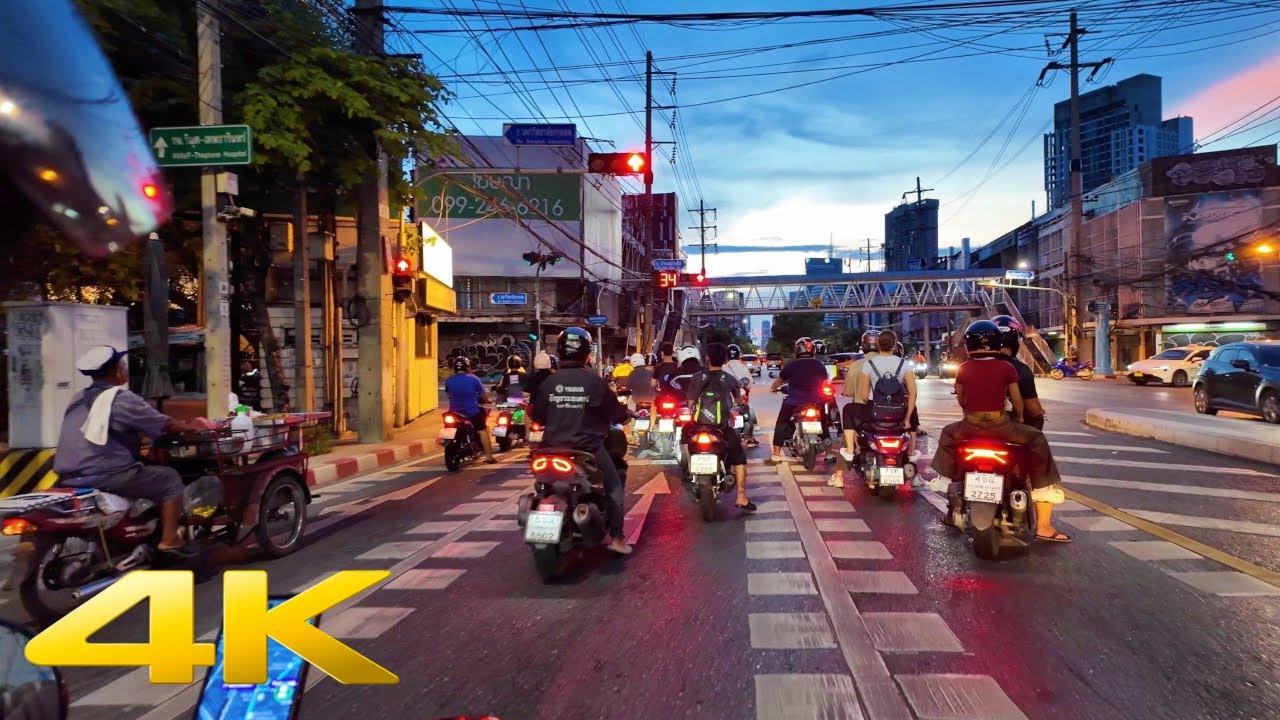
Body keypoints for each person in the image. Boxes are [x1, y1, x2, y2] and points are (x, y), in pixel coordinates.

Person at [54, 346, 202, 557]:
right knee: (169, 480)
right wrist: (189, 428)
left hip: (66, 476)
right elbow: (164, 424)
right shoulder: (121, 398)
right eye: (123, 366)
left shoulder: (77, 398)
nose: (125, 370)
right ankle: (170, 540)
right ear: (117, 372)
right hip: (106, 474)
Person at [931, 320, 1069, 543]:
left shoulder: (964, 368)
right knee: (1037, 438)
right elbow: (1017, 400)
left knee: (948, 434)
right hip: (1002, 426)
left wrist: (968, 411)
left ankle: (944, 480)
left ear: (968, 344)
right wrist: (1020, 419)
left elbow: (962, 398)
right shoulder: (1010, 368)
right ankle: (1043, 503)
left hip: (970, 426)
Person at [529, 328, 633, 555]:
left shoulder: (548, 382)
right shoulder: (594, 382)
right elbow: (616, 413)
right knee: (614, 485)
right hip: (587, 449)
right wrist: (623, 416)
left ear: (560, 352)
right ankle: (617, 538)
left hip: (550, 449)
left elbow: (537, 415)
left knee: (541, 486)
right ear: (587, 354)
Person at [686, 343, 756, 512]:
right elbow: (739, 401)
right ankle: (741, 497)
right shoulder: (729, 379)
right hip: (721, 428)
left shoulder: (696, 377)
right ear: (724, 359)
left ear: (707, 358)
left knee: (684, 438)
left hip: (698, 426)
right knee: (739, 459)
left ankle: (689, 467)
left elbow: (690, 403)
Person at [769, 337, 829, 463]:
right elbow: (824, 381)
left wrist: (773, 389)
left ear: (797, 350)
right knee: (823, 423)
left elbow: (779, 381)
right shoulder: (819, 365)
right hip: (817, 401)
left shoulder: (791, 365)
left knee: (782, 423)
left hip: (794, 401)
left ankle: (776, 454)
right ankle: (829, 454)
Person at [860, 330, 919, 459]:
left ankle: (852, 450)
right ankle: (912, 452)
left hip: (875, 412)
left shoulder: (868, 365)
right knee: (913, 409)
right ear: (894, 345)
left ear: (878, 344)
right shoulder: (904, 364)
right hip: (898, 412)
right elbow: (913, 393)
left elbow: (864, 397)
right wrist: (907, 419)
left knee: (848, 410)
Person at [837, 330, 881, 483]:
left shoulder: (857, 365)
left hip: (863, 414)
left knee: (846, 436)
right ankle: (915, 476)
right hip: (893, 415)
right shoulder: (894, 363)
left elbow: (848, 391)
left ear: (864, 345)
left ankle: (839, 476)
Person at [991, 316, 1046, 431]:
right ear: (1015, 341)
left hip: (975, 426)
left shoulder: (969, 367)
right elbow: (1033, 410)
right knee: (1037, 421)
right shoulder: (1020, 369)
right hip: (1011, 430)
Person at [444, 357, 496, 463]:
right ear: (467, 367)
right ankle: (489, 457)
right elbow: (484, 396)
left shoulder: (449, 380)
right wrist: (488, 401)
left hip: (453, 412)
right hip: (471, 412)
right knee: (482, 430)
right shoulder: (474, 379)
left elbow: (449, 393)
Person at [722, 344, 759, 448]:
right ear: (738, 355)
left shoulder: (723, 367)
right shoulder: (743, 367)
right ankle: (750, 437)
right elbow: (750, 385)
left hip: (726, 401)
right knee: (748, 413)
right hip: (741, 400)